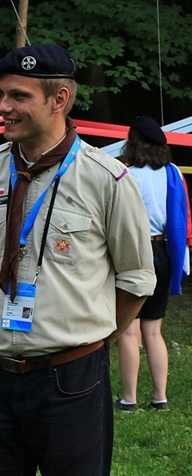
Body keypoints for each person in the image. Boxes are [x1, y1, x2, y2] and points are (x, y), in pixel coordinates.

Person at [0, 44, 156, 476]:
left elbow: (136, 279)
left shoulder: (107, 180)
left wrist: (92, 340)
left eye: (18, 96)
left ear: (60, 99)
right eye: (2, 95)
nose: (2, 107)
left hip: (70, 381)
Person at [116, 115, 188, 412]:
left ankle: (129, 399)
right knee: (154, 331)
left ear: (132, 141)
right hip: (164, 252)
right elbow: (182, 217)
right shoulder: (173, 173)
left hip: (133, 253)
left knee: (129, 331)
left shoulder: (124, 174)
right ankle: (160, 398)